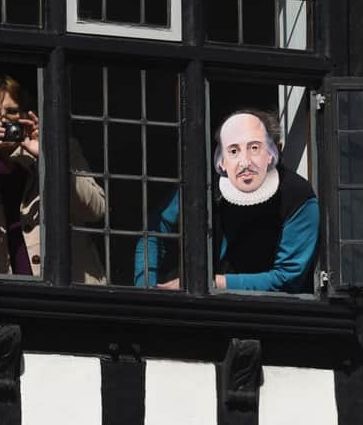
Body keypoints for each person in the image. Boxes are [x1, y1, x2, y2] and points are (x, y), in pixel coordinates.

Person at [0, 75, 106, 284]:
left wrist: (50, 156)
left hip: (69, 286)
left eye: (11, 111)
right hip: (14, 291)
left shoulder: (61, 148)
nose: (3, 120)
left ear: (25, 114)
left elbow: (95, 210)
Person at [134, 109, 319, 293]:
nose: (244, 162)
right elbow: (156, 228)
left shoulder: (298, 197)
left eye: (255, 148)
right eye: (233, 150)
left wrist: (213, 283)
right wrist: (146, 285)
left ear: (276, 151)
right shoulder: (205, 183)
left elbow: (287, 278)